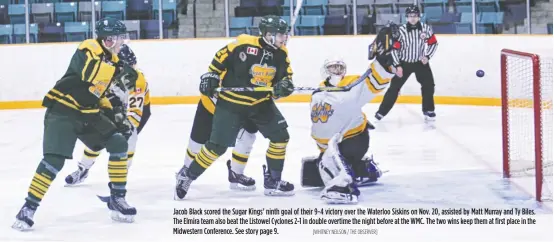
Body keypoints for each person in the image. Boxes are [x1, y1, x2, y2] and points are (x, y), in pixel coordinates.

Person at [12, 17, 138, 231]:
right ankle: (28, 208)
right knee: (54, 160)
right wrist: (116, 69)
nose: (121, 42)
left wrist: (114, 112)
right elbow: (89, 74)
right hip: (63, 111)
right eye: (118, 38)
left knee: (118, 142)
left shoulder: (113, 61)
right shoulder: (89, 47)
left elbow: (102, 92)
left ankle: (117, 198)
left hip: (89, 113)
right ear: (108, 39)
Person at [174, 15, 295, 200]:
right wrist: (212, 75)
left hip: (260, 103)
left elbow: (285, 79)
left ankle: (273, 180)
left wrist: (284, 86)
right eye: (281, 35)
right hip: (231, 103)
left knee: (281, 136)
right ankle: (187, 176)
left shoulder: (282, 54)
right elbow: (219, 58)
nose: (284, 38)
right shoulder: (243, 43)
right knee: (217, 147)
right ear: (268, 35)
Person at [300, 23, 401, 204]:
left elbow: (374, 83)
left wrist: (383, 63)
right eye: (333, 68)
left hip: (354, 140)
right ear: (325, 70)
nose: (337, 71)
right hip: (330, 146)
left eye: (340, 68)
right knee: (321, 166)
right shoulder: (317, 94)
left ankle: (347, 180)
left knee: (329, 163)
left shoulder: (351, 86)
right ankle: (361, 169)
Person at [64, 44, 151, 186]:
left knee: (129, 139)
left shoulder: (138, 80)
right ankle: (83, 169)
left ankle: (120, 177)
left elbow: (135, 114)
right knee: (97, 135)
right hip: (115, 107)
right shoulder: (107, 72)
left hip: (135, 111)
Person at [181, 89, 259, 191]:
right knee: (197, 145)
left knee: (248, 136)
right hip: (210, 107)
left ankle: (236, 173)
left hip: (238, 109)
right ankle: (186, 171)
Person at [375, 5, 439, 122]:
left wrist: (427, 56)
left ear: (419, 16)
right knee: (394, 88)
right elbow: (394, 49)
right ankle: (381, 112)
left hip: (420, 63)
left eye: (415, 16)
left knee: (429, 85)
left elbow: (433, 43)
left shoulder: (426, 28)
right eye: (410, 16)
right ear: (406, 18)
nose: (413, 18)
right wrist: (397, 65)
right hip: (404, 63)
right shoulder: (401, 30)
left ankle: (428, 110)